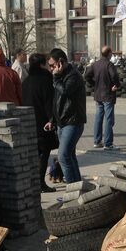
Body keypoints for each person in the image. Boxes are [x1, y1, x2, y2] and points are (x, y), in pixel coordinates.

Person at [45, 48, 86, 184]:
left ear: (60, 62)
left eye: (52, 65)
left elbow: (66, 92)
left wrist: (56, 78)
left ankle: (72, 187)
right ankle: (77, 187)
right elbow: (57, 100)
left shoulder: (73, 75)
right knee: (70, 155)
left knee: (63, 157)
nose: (51, 69)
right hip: (62, 123)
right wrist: (52, 119)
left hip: (72, 122)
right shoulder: (61, 76)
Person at [22, 53, 58, 193]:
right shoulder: (45, 80)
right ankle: (40, 183)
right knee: (44, 154)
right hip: (43, 123)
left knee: (34, 154)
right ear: (42, 65)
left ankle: (33, 182)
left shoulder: (25, 81)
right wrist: (52, 120)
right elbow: (49, 103)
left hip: (28, 122)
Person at [84, 46, 120, 150]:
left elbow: (86, 75)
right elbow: (114, 76)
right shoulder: (109, 64)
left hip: (98, 95)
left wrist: (94, 84)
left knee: (98, 118)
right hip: (108, 95)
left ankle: (97, 141)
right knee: (109, 120)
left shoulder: (95, 64)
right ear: (109, 54)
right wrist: (116, 85)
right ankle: (108, 144)